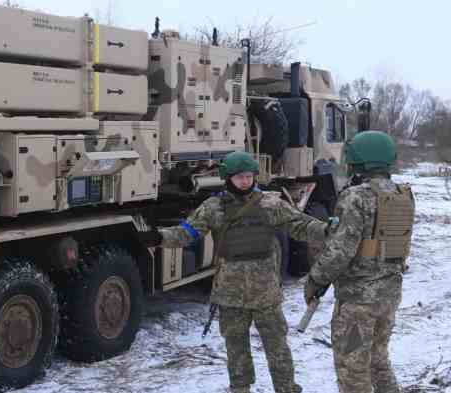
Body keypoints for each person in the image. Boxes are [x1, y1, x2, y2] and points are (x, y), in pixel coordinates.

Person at [139, 151, 330, 393]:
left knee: (277, 346)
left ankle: (287, 388)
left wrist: (328, 229)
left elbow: (302, 226)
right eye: (239, 177)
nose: (245, 181)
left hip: (266, 293)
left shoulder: (271, 204)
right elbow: (188, 233)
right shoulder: (214, 208)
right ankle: (240, 388)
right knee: (236, 347)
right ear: (227, 178)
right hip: (230, 293)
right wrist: (159, 237)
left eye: (249, 176)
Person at [304, 131, 414, 393]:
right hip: (389, 295)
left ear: (357, 161)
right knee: (378, 359)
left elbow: (340, 251)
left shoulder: (356, 196)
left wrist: (315, 280)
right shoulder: (403, 195)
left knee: (353, 369)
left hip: (358, 300)